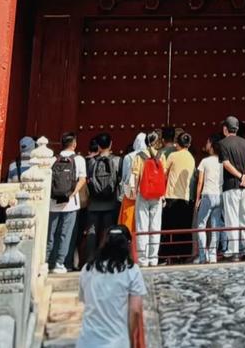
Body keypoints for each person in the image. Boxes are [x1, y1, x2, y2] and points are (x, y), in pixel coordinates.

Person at [77, 225, 146, 348]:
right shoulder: (132, 271)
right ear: (127, 244)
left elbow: (85, 300)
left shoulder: (87, 269)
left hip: (87, 341)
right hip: (117, 342)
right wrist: (130, 338)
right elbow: (135, 310)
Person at [47, 132, 87, 273]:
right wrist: (71, 194)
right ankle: (60, 263)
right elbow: (82, 179)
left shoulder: (53, 159)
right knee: (66, 234)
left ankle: (47, 261)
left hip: (53, 203)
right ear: (74, 144)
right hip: (70, 204)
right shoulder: (79, 159)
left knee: (51, 233)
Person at [217, 115, 245, 260]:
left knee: (231, 217)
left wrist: (240, 176)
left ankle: (233, 250)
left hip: (231, 185)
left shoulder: (222, 144)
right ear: (237, 129)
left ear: (225, 129)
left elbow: (226, 164)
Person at [84, 133, 121, 265]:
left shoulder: (91, 162)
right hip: (110, 203)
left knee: (91, 233)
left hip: (93, 203)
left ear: (98, 146)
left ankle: (90, 260)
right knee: (108, 232)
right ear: (111, 144)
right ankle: (106, 259)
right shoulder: (117, 161)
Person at [131, 132, 166, 267]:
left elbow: (135, 176)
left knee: (142, 227)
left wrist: (135, 192)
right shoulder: (161, 155)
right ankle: (153, 258)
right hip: (157, 195)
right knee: (155, 227)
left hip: (143, 194)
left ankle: (143, 259)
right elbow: (163, 175)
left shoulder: (139, 156)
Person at [162, 132, 195, 261]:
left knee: (170, 228)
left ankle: (169, 255)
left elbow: (164, 172)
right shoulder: (191, 158)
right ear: (189, 144)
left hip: (171, 196)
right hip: (185, 197)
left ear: (177, 144)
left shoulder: (173, 155)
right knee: (184, 228)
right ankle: (184, 255)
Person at [195, 135, 224, 264]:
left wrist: (197, 199)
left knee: (201, 225)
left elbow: (200, 182)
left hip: (207, 195)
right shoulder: (222, 162)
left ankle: (203, 256)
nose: (206, 144)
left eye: (207, 142)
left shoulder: (205, 161)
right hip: (219, 195)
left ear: (211, 145)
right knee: (215, 227)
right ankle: (213, 256)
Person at [118, 135, 145, 237]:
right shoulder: (151, 156)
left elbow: (124, 177)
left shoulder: (128, 157)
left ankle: (128, 242)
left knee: (128, 221)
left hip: (131, 194)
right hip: (145, 193)